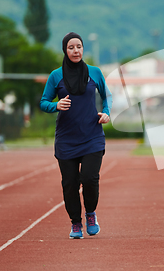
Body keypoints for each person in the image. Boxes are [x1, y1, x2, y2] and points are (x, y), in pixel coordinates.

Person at [40, 32, 112, 239]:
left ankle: (90, 214)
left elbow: (107, 97)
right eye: (71, 47)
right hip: (66, 139)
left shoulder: (95, 72)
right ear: (65, 50)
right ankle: (75, 223)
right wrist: (56, 105)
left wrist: (106, 112)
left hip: (92, 137)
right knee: (70, 183)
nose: (75, 51)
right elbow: (44, 102)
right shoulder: (56, 76)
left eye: (79, 46)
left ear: (83, 49)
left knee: (89, 178)